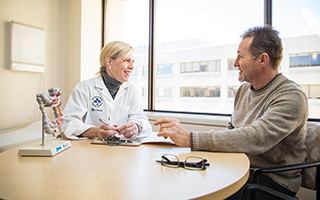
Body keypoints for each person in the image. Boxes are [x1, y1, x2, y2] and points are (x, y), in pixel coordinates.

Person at [154, 25, 308, 199]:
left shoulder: (292, 96)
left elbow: (256, 138)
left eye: (241, 56)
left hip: (270, 181)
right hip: (239, 169)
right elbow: (232, 133)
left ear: (263, 60)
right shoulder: (243, 91)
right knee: (181, 183)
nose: (235, 63)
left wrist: (190, 138)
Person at [62, 41, 151, 140]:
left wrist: (137, 126)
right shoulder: (84, 88)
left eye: (132, 61)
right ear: (109, 62)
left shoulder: (131, 89)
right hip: (90, 149)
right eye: (127, 60)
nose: (131, 66)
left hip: (122, 149)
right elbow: (67, 123)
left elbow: (141, 120)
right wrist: (95, 131)